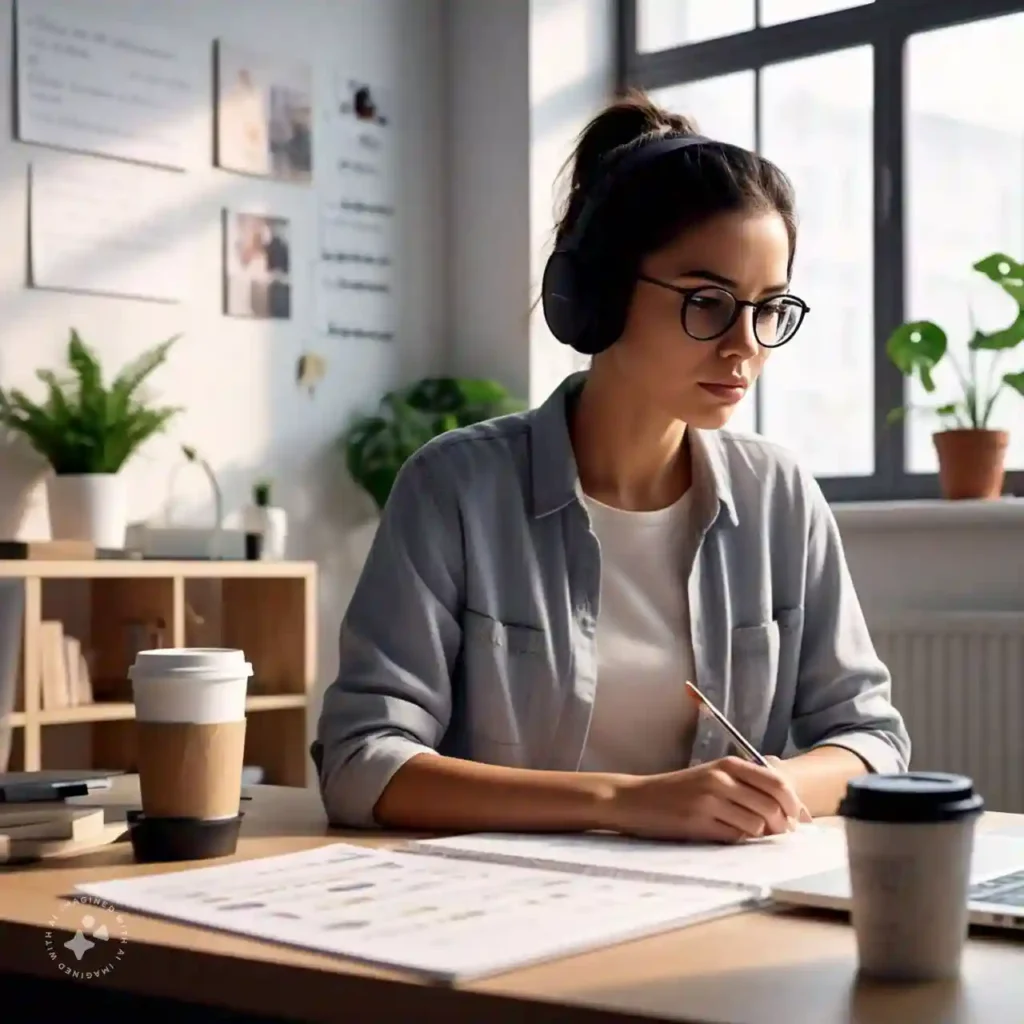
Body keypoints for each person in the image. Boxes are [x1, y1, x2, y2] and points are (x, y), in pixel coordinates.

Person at [312, 92, 910, 843]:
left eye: (768, 307)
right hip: (501, 907)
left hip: (712, 898)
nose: (745, 346)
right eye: (707, 301)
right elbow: (362, 760)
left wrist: (766, 789)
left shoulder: (778, 497)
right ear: (596, 293)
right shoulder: (455, 488)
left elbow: (873, 743)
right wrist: (624, 802)